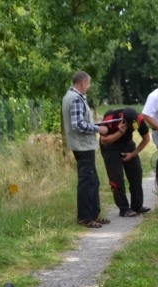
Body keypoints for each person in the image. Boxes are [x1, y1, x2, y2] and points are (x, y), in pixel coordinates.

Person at [61, 71, 110, 229]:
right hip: (82, 146)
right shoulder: (75, 98)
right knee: (86, 183)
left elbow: (81, 120)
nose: (88, 87)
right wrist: (98, 129)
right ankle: (85, 217)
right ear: (82, 83)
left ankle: (94, 214)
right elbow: (78, 124)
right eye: (88, 84)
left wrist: (95, 123)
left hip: (83, 145)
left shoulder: (71, 96)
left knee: (93, 181)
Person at [98, 107, 151, 217]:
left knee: (136, 174)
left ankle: (137, 206)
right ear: (123, 120)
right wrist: (120, 132)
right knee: (116, 178)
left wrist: (133, 154)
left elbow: (146, 138)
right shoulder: (111, 118)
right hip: (110, 146)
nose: (133, 126)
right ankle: (124, 209)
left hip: (127, 144)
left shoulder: (138, 120)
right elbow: (104, 141)